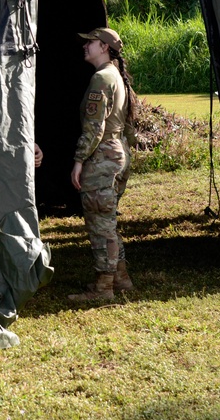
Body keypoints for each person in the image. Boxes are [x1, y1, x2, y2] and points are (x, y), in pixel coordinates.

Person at [67, 27, 137, 301]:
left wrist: (79, 160)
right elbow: (128, 128)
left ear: (104, 47)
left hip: (103, 158)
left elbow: (95, 128)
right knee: (107, 221)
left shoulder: (101, 78)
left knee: (100, 223)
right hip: (117, 153)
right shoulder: (115, 77)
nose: (85, 46)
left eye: (91, 43)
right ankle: (120, 279)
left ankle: (103, 288)